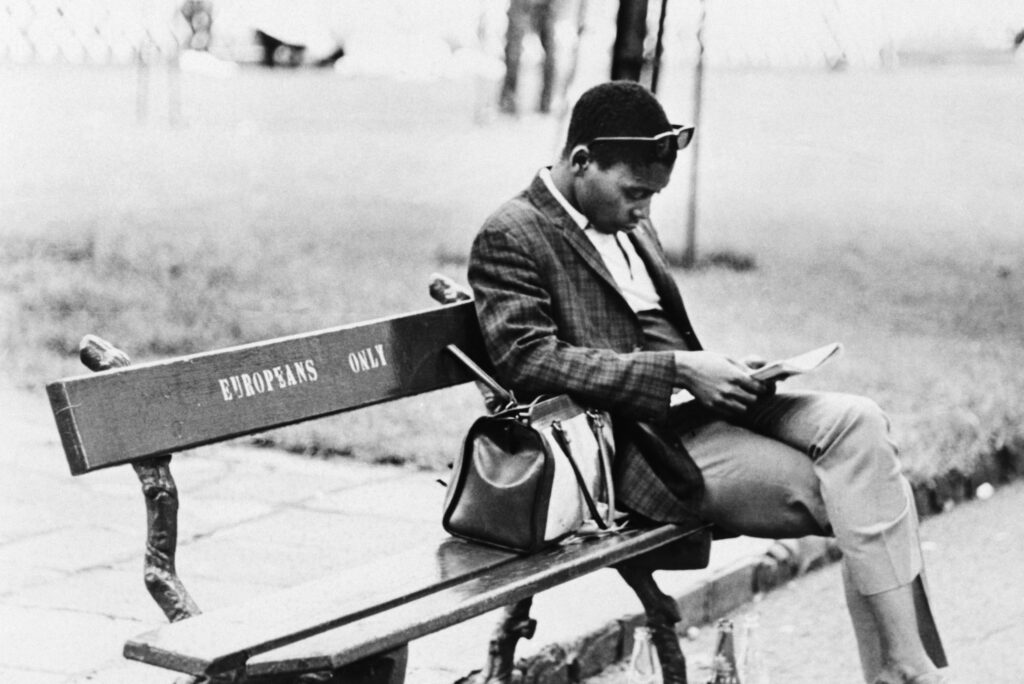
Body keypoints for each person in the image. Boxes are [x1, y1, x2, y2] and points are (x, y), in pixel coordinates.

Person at [467, 80, 951, 684]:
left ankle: (904, 668)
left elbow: (657, 333)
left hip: (699, 401)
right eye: (636, 192)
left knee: (862, 424)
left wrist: (722, 366)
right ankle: (907, 671)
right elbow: (527, 360)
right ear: (582, 161)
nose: (645, 211)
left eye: (653, 196)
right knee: (865, 491)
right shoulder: (513, 232)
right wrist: (678, 371)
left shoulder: (628, 222)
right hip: (642, 442)